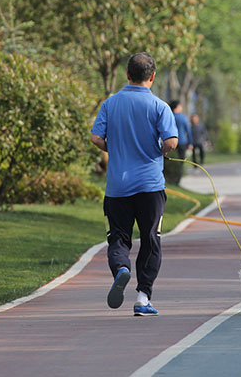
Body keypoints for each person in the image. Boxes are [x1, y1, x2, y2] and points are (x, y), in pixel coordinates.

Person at [91, 52, 178, 317]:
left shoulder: (110, 103)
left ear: (127, 75)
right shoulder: (159, 106)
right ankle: (143, 297)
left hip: (118, 187)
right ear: (152, 77)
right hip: (150, 186)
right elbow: (171, 142)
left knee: (118, 237)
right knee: (151, 239)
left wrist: (114, 148)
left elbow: (96, 138)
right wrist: (160, 150)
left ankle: (121, 270)